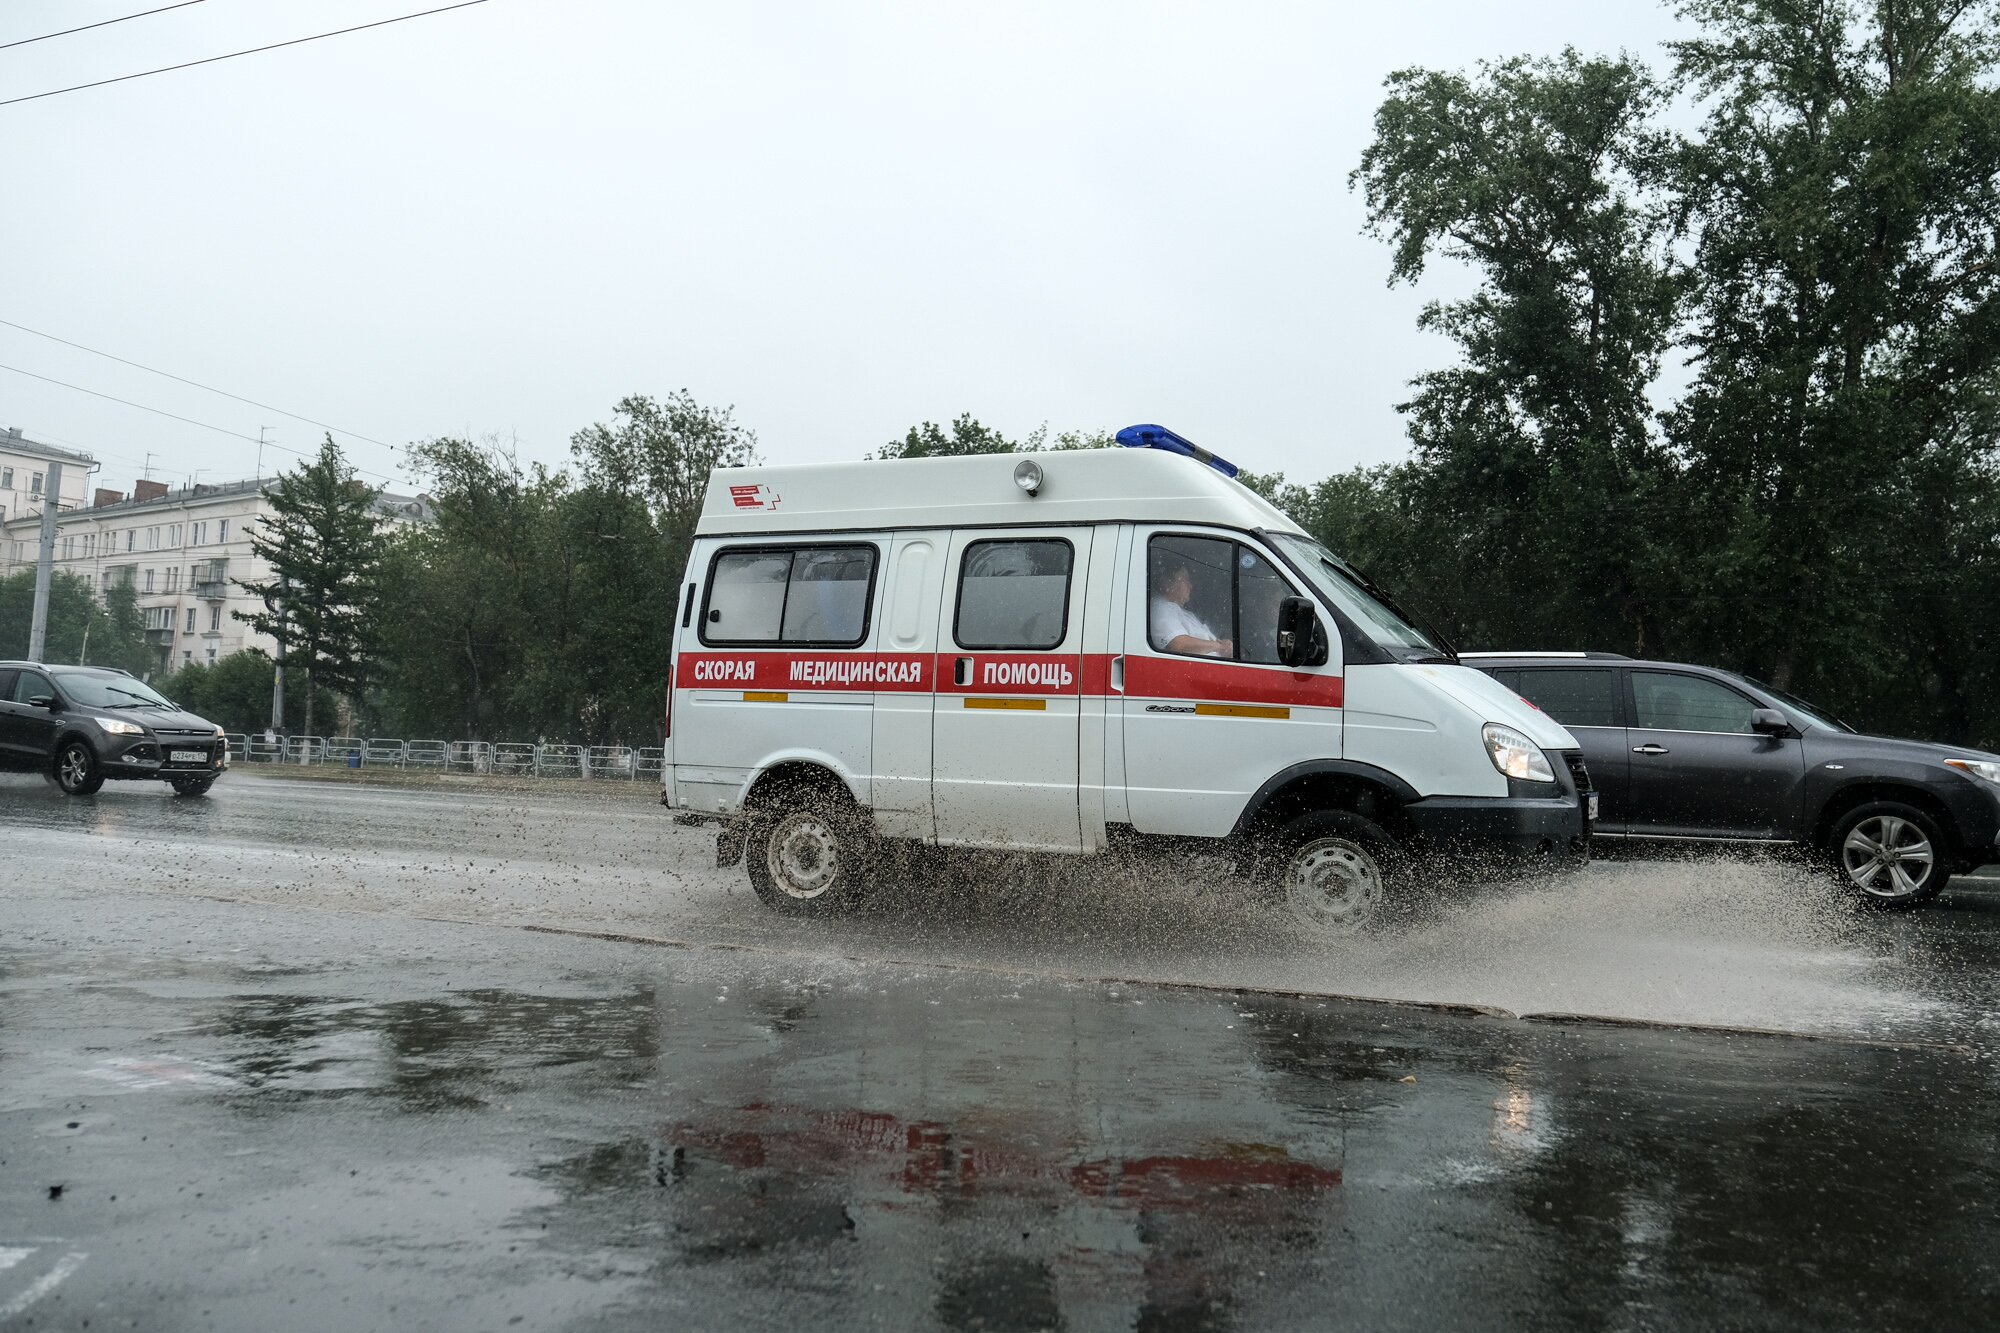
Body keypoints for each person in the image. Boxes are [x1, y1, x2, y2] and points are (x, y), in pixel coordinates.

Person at [1150, 557, 1232, 658]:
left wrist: (1225, 645)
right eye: (1185, 580)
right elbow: (1179, 644)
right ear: (1168, 583)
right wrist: (1219, 647)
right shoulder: (1162, 608)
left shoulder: (1184, 613)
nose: (1190, 586)